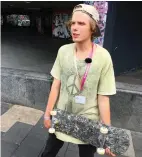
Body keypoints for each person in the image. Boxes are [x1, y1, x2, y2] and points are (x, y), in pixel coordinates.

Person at [41, 4, 116, 157]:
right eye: (73, 23)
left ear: (92, 28)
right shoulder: (64, 51)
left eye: (81, 24)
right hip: (62, 115)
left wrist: (107, 133)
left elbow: (103, 97)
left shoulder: (103, 56)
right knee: (48, 152)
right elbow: (56, 85)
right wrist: (47, 114)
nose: (74, 28)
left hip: (88, 120)